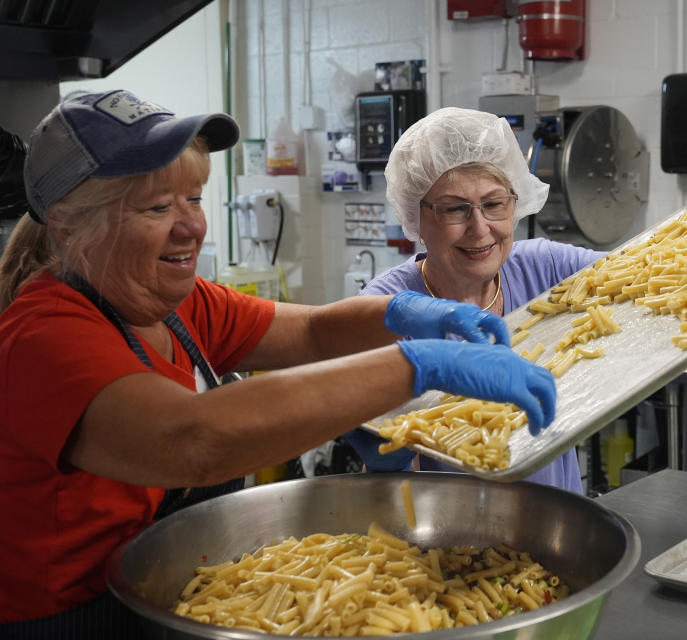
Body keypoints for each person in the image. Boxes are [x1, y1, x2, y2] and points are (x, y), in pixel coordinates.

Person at [0, 90, 556, 634]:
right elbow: (193, 440)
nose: (192, 226)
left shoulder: (173, 303)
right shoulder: (43, 335)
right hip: (69, 619)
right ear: (71, 227)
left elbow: (312, 332)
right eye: (157, 206)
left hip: (163, 600)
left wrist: (408, 314)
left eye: (194, 198)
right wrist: (419, 365)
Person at [341, 108, 687, 491]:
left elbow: (653, 271)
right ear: (415, 215)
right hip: (450, 547)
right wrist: (386, 459)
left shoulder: (546, 268)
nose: (480, 229)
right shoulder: (386, 306)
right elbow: (389, 483)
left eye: (494, 204)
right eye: (455, 209)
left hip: (558, 526)